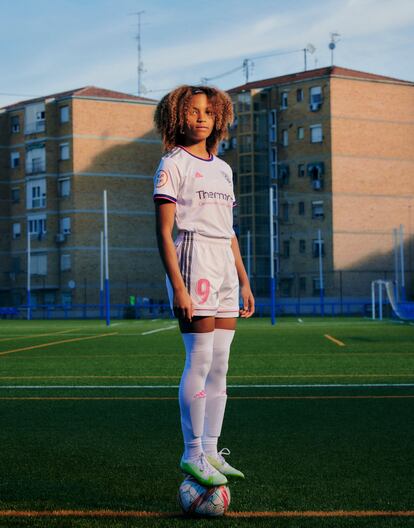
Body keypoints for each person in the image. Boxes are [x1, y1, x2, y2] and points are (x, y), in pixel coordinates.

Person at [153, 85, 254, 487]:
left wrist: (244, 280)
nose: (201, 118)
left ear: (219, 120)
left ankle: (212, 449)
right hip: (193, 260)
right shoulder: (171, 164)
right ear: (178, 117)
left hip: (225, 264)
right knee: (199, 360)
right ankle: (191, 452)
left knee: (222, 365)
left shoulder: (224, 169)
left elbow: (228, 231)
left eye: (208, 113)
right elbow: (163, 232)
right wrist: (178, 286)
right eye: (193, 111)